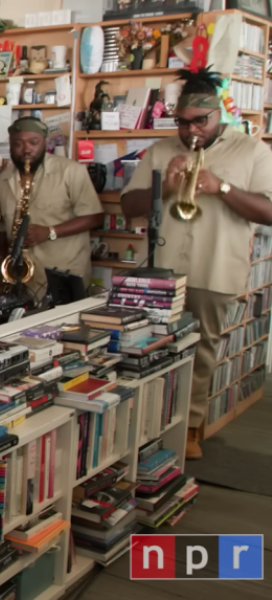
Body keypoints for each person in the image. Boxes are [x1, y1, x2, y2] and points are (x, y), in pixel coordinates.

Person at [120, 67, 272, 460]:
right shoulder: (160, 150)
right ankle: (146, 423)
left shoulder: (251, 150)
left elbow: (268, 210)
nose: (191, 131)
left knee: (201, 349)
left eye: (200, 122)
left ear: (218, 113)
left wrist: (219, 186)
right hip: (162, 266)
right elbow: (128, 207)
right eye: (183, 122)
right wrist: (166, 187)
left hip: (215, 266)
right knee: (148, 345)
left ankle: (189, 425)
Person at [0, 117, 104, 297]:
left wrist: (50, 231)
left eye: (33, 142)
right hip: (20, 277)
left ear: (45, 142)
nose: (26, 150)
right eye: (18, 144)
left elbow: (95, 217)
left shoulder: (71, 171)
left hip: (63, 273)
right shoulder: (2, 179)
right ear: (10, 145)